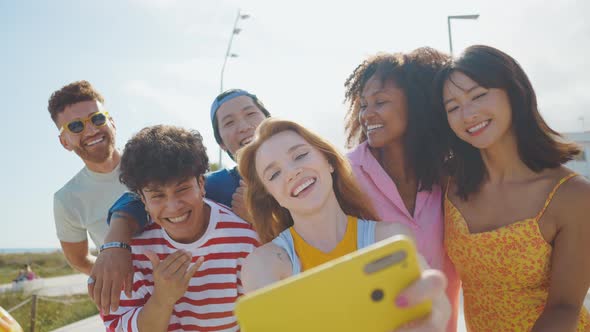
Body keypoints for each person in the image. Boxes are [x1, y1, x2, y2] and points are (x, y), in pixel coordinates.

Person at [237, 118, 450, 330]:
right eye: (274, 174)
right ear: (273, 197)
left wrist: (435, 316)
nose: (292, 172)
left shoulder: (390, 240)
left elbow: (435, 309)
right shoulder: (263, 265)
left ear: (329, 161)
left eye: (300, 155)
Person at [435, 45, 590, 331]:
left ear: (514, 93)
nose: (467, 114)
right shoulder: (448, 184)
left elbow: (565, 307)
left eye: (479, 95)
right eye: (453, 107)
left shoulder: (572, 195)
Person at [89, 89, 270, 313]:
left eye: (251, 113)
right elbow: (139, 197)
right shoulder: (217, 185)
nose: (243, 126)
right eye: (229, 122)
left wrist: (261, 222)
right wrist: (115, 244)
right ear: (221, 143)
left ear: (269, 119)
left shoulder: (306, 173)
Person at [343, 48, 460, 331]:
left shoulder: (448, 175)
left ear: (416, 105)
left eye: (380, 102)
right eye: (362, 105)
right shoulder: (346, 175)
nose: (367, 115)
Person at [102, 125, 259, 331]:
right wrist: (163, 299)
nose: (174, 206)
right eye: (158, 195)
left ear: (201, 184)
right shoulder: (128, 254)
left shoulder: (245, 239)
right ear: (143, 199)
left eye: (183, 189)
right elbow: (119, 327)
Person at [49, 80, 125, 275]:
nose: (91, 130)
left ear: (112, 123)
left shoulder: (155, 163)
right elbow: (80, 260)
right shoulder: (67, 199)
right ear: (64, 141)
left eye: (97, 118)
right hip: (135, 303)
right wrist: (121, 280)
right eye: (75, 126)